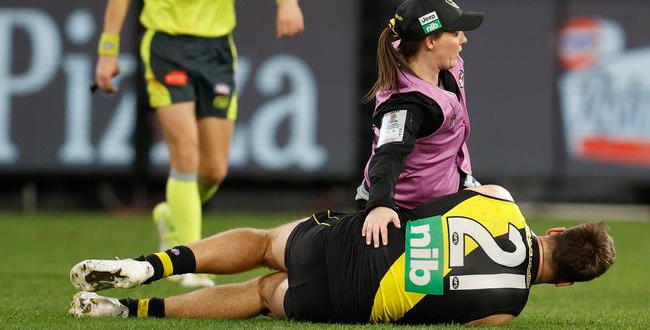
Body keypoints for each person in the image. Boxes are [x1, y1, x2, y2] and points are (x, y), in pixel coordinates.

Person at [93, 0, 304, 287]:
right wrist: (107, 50)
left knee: (213, 170)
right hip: (167, 47)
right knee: (185, 155)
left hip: (216, 52)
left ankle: (171, 211)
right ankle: (184, 263)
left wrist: (287, 0)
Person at [67, 184, 616, 325]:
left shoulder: (500, 200)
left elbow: (427, 195)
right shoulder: (504, 313)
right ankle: (125, 313)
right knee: (264, 295)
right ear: (565, 283)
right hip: (349, 298)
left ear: (557, 230)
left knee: (263, 244)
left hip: (361, 240)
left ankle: (149, 266)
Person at [356, 0, 485, 248]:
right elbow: (388, 155)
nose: (463, 39)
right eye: (456, 33)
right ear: (431, 41)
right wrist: (380, 205)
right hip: (404, 214)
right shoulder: (408, 102)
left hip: (448, 190)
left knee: (503, 205)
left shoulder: (420, 30)